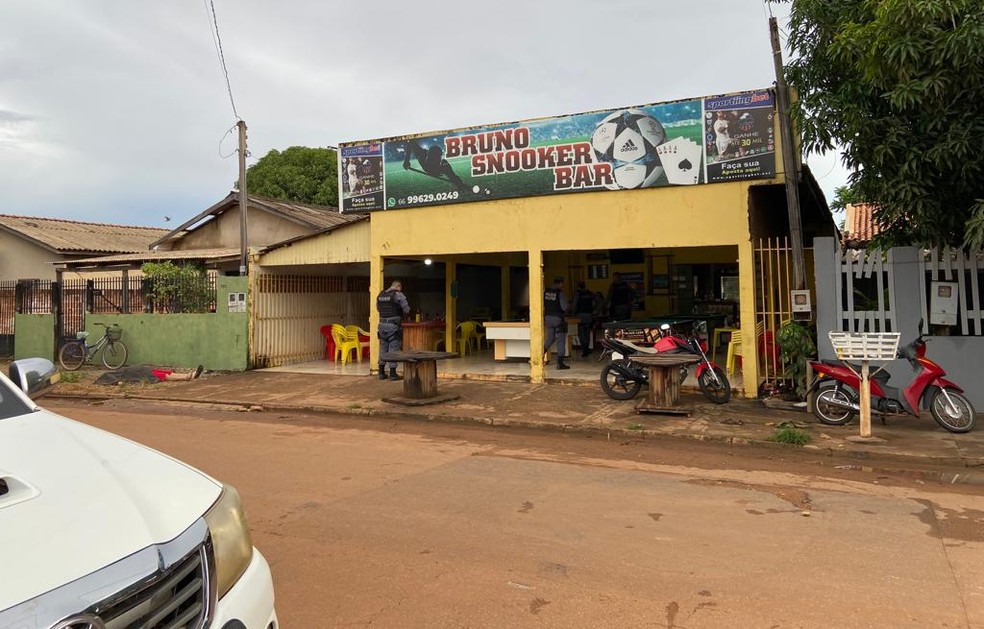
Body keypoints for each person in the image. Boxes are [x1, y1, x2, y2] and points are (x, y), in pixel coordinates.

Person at [402, 139, 469, 192]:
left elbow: (453, 176)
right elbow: (411, 142)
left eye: (435, 159)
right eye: (429, 157)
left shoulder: (443, 165)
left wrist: (460, 184)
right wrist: (406, 160)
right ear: (427, 154)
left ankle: (461, 185)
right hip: (430, 168)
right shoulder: (422, 154)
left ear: (438, 159)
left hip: (437, 170)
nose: (429, 159)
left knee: (446, 166)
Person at [376, 280, 410, 381]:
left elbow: (378, 308)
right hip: (393, 325)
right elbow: (407, 310)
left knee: (383, 348)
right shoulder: (398, 295)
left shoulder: (381, 295)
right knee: (393, 348)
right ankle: (392, 373)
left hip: (381, 324)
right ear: (398, 287)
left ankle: (381, 372)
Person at [543, 276, 570, 370]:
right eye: (562, 284)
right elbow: (564, 307)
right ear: (560, 283)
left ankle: (539, 356)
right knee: (561, 341)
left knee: (550, 339)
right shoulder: (560, 293)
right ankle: (560, 363)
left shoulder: (545, 292)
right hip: (558, 319)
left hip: (548, 318)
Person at [571, 281, 595, 358]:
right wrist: (595, 310)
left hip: (580, 315)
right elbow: (597, 300)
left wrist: (573, 314)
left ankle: (584, 350)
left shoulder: (578, 294)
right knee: (587, 333)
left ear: (578, 287)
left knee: (581, 333)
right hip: (589, 315)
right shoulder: (589, 293)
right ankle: (587, 349)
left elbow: (574, 304)